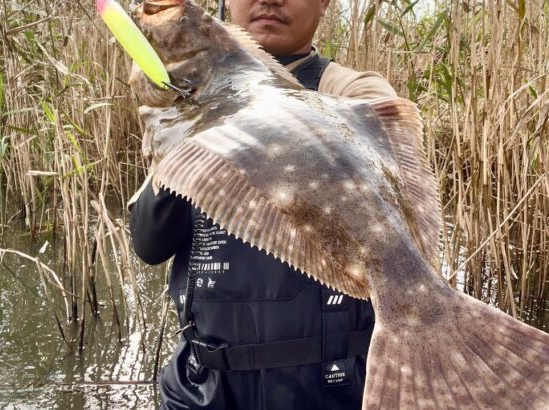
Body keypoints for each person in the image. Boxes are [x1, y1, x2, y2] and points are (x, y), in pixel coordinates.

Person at [128, 0, 398, 408]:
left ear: (326, 3)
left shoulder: (353, 92)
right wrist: (176, 121)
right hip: (203, 388)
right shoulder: (188, 101)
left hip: (327, 391)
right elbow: (150, 243)